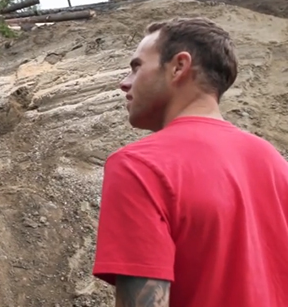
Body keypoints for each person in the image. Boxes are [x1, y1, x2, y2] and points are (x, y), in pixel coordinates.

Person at [92, 17, 288, 307]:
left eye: (137, 67)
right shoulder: (274, 163)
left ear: (179, 66)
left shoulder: (138, 166)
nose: (125, 82)